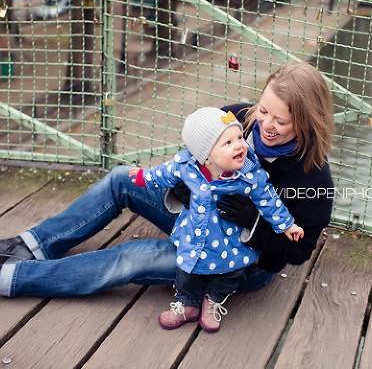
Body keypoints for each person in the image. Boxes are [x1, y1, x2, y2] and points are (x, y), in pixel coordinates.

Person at [0, 62, 335, 314]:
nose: (264, 123)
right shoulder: (237, 119)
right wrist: (183, 185)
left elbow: (300, 250)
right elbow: (192, 151)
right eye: (263, 110)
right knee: (121, 178)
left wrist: (257, 223)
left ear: (306, 122)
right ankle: (30, 246)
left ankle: (6, 279)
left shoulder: (314, 179)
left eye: (280, 121)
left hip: (237, 260)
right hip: (195, 217)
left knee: (130, 258)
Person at [128, 107, 303, 331]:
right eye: (228, 143)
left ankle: (214, 300)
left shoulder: (249, 175)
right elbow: (164, 173)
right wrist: (144, 177)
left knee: (229, 274)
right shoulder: (187, 167)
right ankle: (187, 303)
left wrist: (287, 225)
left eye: (239, 137)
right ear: (206, 155)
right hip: (194, 236)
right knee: (185, 271)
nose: (240, 145)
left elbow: (269, 201)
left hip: (228, 243)